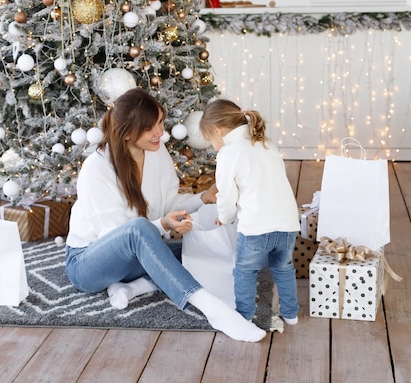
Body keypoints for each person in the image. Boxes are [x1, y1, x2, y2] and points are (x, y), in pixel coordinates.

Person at [65, 88, 266, 343]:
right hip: (88, 264)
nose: (160, 132)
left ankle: (132, 287)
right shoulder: (97, 168)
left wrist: (203, 198)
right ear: (127, 133)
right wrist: (161, 225)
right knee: (141, 231)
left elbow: (168, 202)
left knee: (197, 248)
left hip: (133, 258)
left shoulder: (156, 152)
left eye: (160, 122)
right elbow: (117, 235)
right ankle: (214, 310)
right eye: (151, 128)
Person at [198, 99, 301, 325]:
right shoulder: (266, 144)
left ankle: (243, 316)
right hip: (288, 223)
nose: (211, 145)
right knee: (283, 268)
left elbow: (226, 195)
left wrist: (224, 218)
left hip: (256, 228)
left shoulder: (229, 153)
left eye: (209, 140)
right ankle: (291, 314)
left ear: (217, 130)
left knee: (245, 272)